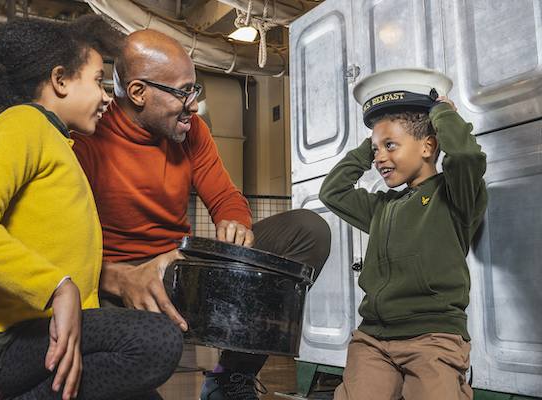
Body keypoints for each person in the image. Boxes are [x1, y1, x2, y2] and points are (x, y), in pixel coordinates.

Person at [72, 29, 331, 400]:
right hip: (114, 278)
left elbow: (225, 195)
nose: (193, 105)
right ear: (138, 92)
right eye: (182, 92)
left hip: (181, 266)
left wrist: (234, 221)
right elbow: (60, 248)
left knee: (308, 229)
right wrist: (116, 278)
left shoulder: (192, 131)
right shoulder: (85, 138)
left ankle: (229, 378)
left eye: (195, 91)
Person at [0, 17, 182, 400]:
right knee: (158, 342)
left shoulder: (60, 144)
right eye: (98, 81)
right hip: (13, 338)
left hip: (53, 329)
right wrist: (57, 288)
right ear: (61, 80)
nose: (107, 97)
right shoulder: (22, 124)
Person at [319, 68, 488, 400]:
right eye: (376, 149)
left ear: (428, 146)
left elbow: (466, 155)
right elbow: (333, 193)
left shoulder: (455, 196)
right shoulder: (382, 207)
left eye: (391, 145)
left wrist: (440, 111)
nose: (380, 157)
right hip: (373, 341)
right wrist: (371, 147)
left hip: (433, 339)